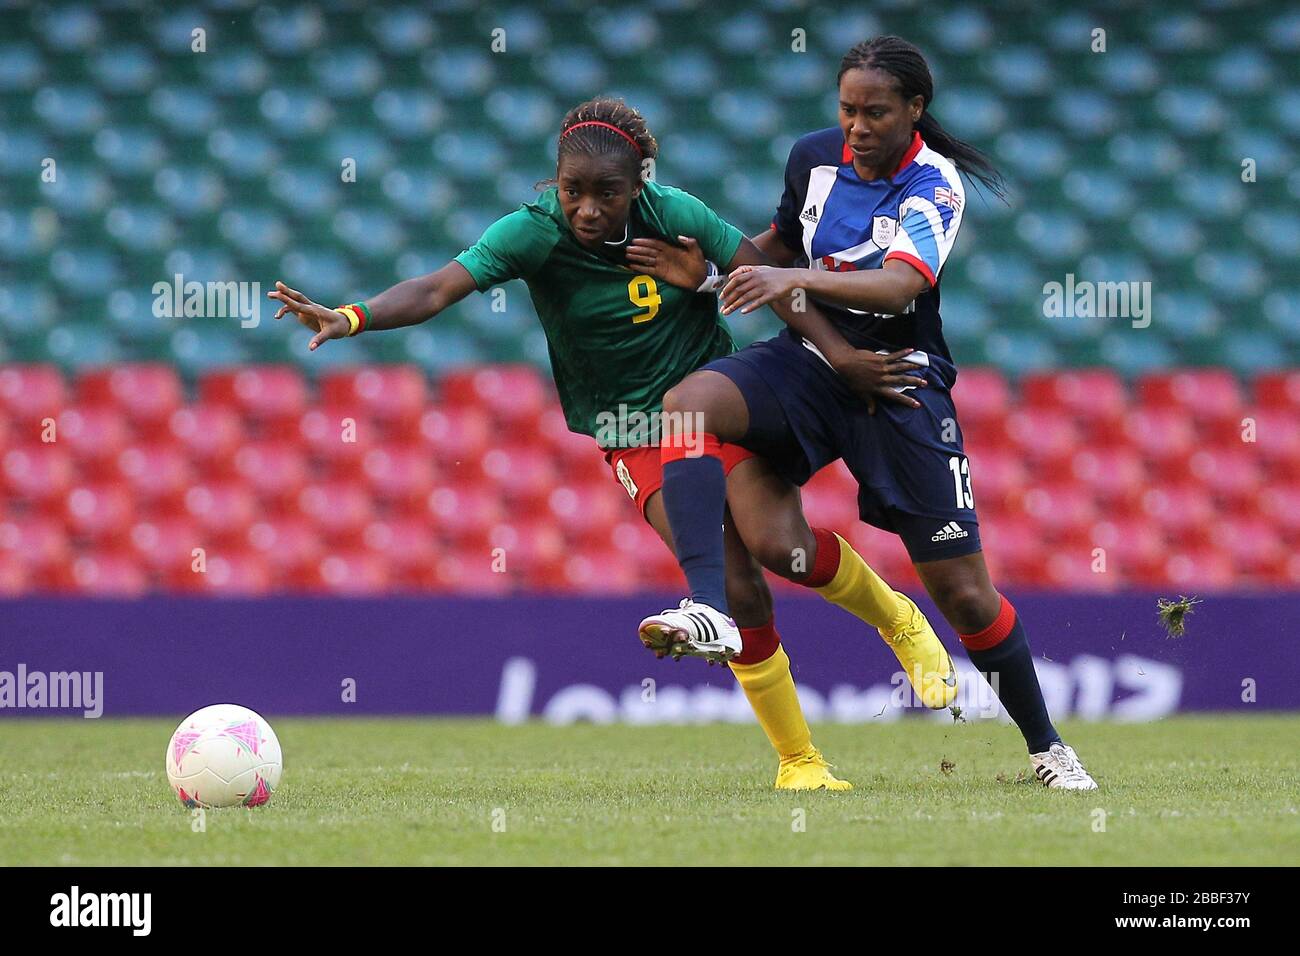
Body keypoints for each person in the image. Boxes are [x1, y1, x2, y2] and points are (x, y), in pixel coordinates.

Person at [269, 96, 955, 791]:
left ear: (639, 186)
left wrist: (837, 354)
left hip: (712, 404)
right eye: (574, 191)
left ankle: (895, 618)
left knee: (785, 548)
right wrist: (352, 316)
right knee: (743, 584)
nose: (589, 209)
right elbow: (437, 289)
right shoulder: (531, 233)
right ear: (556, 183)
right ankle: (799, 762)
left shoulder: (678, 214)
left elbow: (767, 283)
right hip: (633, 431)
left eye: (608, 194)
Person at [630, 38, 1098, 789]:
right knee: (686, 405)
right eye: (847, 109)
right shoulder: (812, 159)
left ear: (915, 109)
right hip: (808, 364)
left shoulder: (934, 184)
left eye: (875, 111)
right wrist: (716, 272)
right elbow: (775, 246)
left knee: (965, 595)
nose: (857, 126)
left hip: (896, 383)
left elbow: (900, 286)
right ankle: (707, 603)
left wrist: (785, 275)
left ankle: (1048, 747)